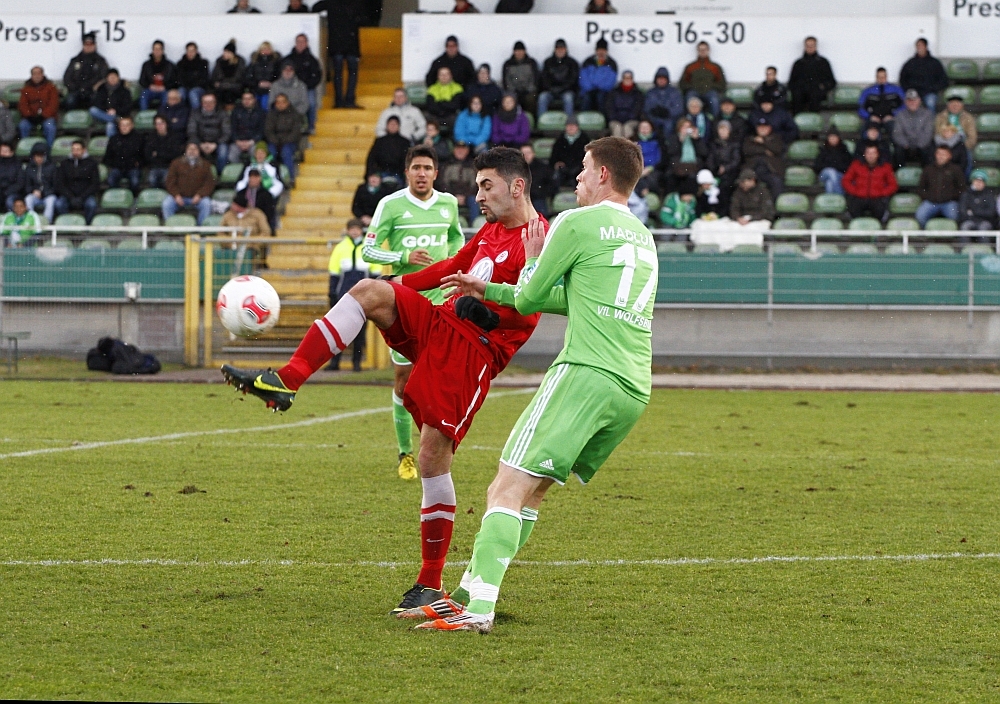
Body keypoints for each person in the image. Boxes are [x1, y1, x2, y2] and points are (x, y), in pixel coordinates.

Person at [222, 146, 541, 619]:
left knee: (432, 457)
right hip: (441, 323)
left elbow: (533, 304)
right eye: (477, 186)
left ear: (517, 186)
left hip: (474, 352)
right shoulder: (491, 230)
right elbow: (449, 269)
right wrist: (398, 286)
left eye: (486, 186)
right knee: (369, 291)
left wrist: (491, 314)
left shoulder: (540, 238)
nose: (477, 196)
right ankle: (286, 380)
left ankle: (430, 584)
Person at [409, 137, 653, 633]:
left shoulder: (575, 222)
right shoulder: (642, 236)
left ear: (603, 175)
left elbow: (531, 296)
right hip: (632, 386)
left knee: (506, 487)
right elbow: (572, 298)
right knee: (533, 494)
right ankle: (467, 594)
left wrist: (534, 259)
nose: (578, 177)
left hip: (586, 371)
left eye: (584, 168)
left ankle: (478, 609)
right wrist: (489, 288)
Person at [360, 145, 467, 483]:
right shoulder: (390, 205)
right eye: (416, 168)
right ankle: (405, 452)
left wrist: (453, 265)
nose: (422, 173)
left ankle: (434, 451)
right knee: (405, 381)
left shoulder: (448, 204)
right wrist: (403, 256)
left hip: (441, 304)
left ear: (436, 173)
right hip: (404, 304)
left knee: (440, 380)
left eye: (427, 168)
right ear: (407, 172)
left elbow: (457, 239)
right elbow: (368, 249)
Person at [328, 219, 380, 371]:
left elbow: (375, 274)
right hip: (343, 295)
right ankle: (335, 363)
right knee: (339, 329)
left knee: (360, 332)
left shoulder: (368, 248)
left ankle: (356, 363)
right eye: (352, 229)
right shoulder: (340, 248)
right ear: (348, 230)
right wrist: (332, 293)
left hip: (363, 297)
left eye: (357, 228)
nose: (355, 231)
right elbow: (334, 273)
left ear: (361, 230)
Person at [318, 0, 363, 107]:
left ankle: (339, 101)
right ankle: (349, 101)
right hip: (351, 43)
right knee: (352, 73)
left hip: (337, 44)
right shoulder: (356, 3)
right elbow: (364, 19)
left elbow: (316, 7)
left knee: (338, 74)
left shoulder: (332, 3)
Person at [162, 142, 217, 225]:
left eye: (195, 149)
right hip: (179, 197)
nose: (192, 151)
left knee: (207, 204)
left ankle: (200, 228)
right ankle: (171, 227)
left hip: (197, 197)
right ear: (186, 150)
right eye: (190, 149)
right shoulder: (176, 163)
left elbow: (209, 183)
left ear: (199, 151)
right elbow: (170, 182)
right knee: (166, 204)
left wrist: (199, 195)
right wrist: (176, 195)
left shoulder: (206, 165)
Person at [842, 144, 897, 221]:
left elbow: (893, 185)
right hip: (859, 197)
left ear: (877, 154)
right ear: (865, 154)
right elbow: (846, 180)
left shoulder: (886, 167)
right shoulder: (856, 165)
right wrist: (855, 191)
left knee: (880, 215)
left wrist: (882, 193)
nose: (871, 156)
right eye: (868, 153)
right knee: (854, 214)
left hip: (877, 198)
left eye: (873, 153)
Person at [915, 145, 966, 227]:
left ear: (949, 156)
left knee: (955, 217)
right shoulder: (928, 169)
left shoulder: (956, 170)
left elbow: (962, 189)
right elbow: (921, 188)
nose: (941, 156)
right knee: (920, 216)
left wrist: (950, 196)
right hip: (931, 202)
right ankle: (928, 233)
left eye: (944, 154)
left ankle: (951, 234)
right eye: (939, 154)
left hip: (949, 202)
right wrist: (929, 196)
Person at [54, 140, 100, 224]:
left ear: (84, 150)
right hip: (68, 195)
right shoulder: (64, 163)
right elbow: (60, 183)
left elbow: (95, 184)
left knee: (91, 205)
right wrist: (71, 197)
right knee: (59, 204)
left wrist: (82, 197)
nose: (75, 152)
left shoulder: (92, 163)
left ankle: (87, 226)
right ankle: (67, 224)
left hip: (86, 195)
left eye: (78, 149)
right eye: (73, 149)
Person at [788, 36, 836, 114]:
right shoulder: (798, 63)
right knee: (797, 96)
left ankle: (814, 119)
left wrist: (821, 87)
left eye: (812, 45)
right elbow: (791, 82)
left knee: (814, 95)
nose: (810, 48)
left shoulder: (823, 62)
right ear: (804, 46)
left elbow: (831, 82)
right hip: (800, 94)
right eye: (808, 46)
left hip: (816, 94)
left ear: (816, 46)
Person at [899, 38, 949, 114]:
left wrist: (933, 88)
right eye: (917, 46)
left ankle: (931, 121)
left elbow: (943, 80)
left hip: (929, 92)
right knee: (907, 103)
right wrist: (909, 89)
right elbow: (903, 78)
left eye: (921, 45)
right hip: (913, 92)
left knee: (930, 103)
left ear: (926, 46)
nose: (919, 48)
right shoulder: (910, 63)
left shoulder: (935, 63)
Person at [287, 34, 324, 134]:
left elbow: (317, 76)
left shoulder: (313, 60)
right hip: (291, 88)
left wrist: (306, 86)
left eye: (302, 41)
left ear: (306, 43)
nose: (300, 44)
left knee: (311, 104)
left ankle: (311, 127)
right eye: (298, 41)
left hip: (308, 88)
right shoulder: (288, 59)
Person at [63, 33, 109, 110]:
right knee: (69, 101)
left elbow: (105, 77)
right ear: (83, 45)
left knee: (98, 101)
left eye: (91, 44)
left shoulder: (101, 61)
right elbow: (67, 78)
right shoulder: (75, 60)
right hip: (76, 91)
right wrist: (74, 88)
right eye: (86, 44)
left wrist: (95, 87)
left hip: (93, 91)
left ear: (95, 45)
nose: (89, 46)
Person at [679, 41, 726, 117]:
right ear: (697, 51)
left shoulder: (715, 67)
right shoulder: (690, 67)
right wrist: (693, 87)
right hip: (694, 92)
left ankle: (716, 120)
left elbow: (722, 84)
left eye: (704, 49)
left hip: (710, 92)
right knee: (689, 98)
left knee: (714, 100)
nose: (702, 51)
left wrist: (710, 86)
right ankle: (688, 120)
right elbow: (682, 83)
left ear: (708, 50)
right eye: (700, 50)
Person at [742, 118, 785, 197]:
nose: (762, 129)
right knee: (744, 182)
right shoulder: (750, 139)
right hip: (753, 170)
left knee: (777, 182)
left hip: (770, 170)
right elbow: (747, 150)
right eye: (760, 127)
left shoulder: (776, 138)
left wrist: (764, 142)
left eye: (765, 127)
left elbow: (777, 149)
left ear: (769, 128)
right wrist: (765, 151)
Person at [663, 117, 708, 194]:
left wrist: (696, 140)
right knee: (670, 176)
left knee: (692, 177)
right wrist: (680, 141)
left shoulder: (696, 138)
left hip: (693, 165)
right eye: (684, 127)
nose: (686, 129)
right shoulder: (674, 138)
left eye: (689, 126)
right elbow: (671, 152)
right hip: (678, 166)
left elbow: (704, 153)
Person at [188, 93, 231, 172]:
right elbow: (191, 131)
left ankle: (219, 174)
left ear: (215, 103)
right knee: (191, 150)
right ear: (202, 103)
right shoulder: (195, 114)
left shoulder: (223, 114)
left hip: (218, 142)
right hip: (200, 141)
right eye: (205, 102)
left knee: (223, 154)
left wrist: (216, 144)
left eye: (211, 102)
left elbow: (227, 133)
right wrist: (200, 143)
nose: (208, 104)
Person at [18, 66, 59, 147]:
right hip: (30, 117)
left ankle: (48, 149)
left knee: (50, 127)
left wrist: (44, 115)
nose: (37, 76)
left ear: (43, 74)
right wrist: (29, 115)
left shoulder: (51, 87)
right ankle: (25, 148)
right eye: (34, 74)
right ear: (31, 75)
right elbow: (23, 105)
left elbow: (53, 104)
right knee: (23, 126)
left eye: (39, 73)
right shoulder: (26, 89)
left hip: (47, 117)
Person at [265, 93, 302, 184]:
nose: (280, 104)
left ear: (287, 103)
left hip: (290, 142)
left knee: (286, 151)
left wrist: (284, 141)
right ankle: (271, 178)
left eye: (283, 102)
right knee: (270, 153)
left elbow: (296, 132)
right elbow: (268, 131)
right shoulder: (271, 114)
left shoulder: (295, 114)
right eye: (278, 102)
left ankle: (290, 178)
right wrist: (276, 141)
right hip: (274, 142)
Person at [893, 89, 934, 168]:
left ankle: (926, 173)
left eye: (914, 100)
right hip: (906, 146)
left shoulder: (927, 114)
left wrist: (919, 145)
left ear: (919, 101)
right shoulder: (900, 115)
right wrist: (906, 144)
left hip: (921, 145)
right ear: (905, 102)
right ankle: (900, 173)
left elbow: (928, 133)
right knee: (898, 151)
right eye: (909, 100)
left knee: (928, 150)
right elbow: (897, 133)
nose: (912, 103)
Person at [439, 141, 481, 218]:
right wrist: (454, 195)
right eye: (458, 148)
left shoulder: (472, 166)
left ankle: (474, 224)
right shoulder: (447, 165)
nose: (460, 151)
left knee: (474, 201)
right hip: (450, 194)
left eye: (463, 149)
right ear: (454, 150)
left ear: (467, 150)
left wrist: (464, 196)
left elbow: (475, 184)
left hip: (468, 196)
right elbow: (443, 183)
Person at [538, 39, 579, 117]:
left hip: (566, 91)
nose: (560, 51)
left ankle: (569, 121)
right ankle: (541, 120)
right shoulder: (548, 62)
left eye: (562, 49)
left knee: (568, 98)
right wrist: (551, 89)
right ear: (554, 50)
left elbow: (573, 80)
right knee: (542, 97)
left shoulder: (572, 63)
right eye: (558, 49)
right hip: (550, 91)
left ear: (566, 49)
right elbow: (544, 79)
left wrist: (561, 89)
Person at [104, 116, 145, 194]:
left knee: (135, 182)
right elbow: (107, 157)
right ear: (119, 126)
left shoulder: (139, 138)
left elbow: (144, 155)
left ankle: (133, 198)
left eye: (127, 125)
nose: (124, 127)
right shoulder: (114, 139)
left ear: (132, 125)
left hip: (133, 168)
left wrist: (138, 163)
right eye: (122, 125)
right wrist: (114, 164)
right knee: (111, 180)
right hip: (118, 168)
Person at [706, 119, 740, 210]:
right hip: (716, 173)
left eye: (725, 129)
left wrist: (725, 168)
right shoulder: (713, 144)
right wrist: (715, 169)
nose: (722, 131)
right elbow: (710, 159)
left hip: (730, 173)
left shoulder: (734, 144)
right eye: (721, 129)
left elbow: (736, 160)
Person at [89, 69, 132, 138]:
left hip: (118, 115)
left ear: (118, 78)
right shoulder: (102, 90)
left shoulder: (124, 91)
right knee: (93, 110)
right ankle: (114, 120)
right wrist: (107, 110)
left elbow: (127, 106)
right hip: (105, 114)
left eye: (114, 77)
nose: (112, 79)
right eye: (110, 77)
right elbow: (98, 103)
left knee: (110, 125)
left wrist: (115, 111)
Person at [144, 115, 184, 189]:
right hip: (155, 166)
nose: (160, 126)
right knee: (151, 180)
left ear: (166, 124)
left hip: (169, 166)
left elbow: (175, 154)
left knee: (166, 181)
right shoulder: (151, 137)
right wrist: (165, 153)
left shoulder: (174, 137)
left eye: (162, 123)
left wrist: (158, 154)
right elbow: (148, 155)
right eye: (157, 124)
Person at [367, 116, 411, 182]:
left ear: (399, 126)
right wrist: (372, 174)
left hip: (399, 174)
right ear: (387, 126)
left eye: (395, 124)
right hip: (381, 173)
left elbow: (407, 160)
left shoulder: (405, 142)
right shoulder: (380, 141)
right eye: (391, 124)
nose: (393, 126)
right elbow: (372, 159)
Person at [578, 38, 617, 112]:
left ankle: (602, 118)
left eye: (603, 50)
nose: (601, 52)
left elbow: (610, 82)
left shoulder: (612, 64)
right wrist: (591, 88)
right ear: (596, 51)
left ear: (606, 51)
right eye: (599, 50)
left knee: (601, 97)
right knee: (586, 98)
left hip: (603, 92)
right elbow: (583, 78)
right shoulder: (587, 62)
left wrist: (597, 86)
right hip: (588, 91)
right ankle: (583, 118)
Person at [22, 143, 58, 222]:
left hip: (49, 195)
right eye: (37, 156)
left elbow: (56, 186)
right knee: (28, 199)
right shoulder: (29, 168)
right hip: (35, 195)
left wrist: (44, 193)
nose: (38, 158)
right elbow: (27, 185)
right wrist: (33, 191)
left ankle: (46, 222)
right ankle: (31, 221)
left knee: (50, 201)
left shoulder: (52, 167)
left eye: (41, 156)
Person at [551, 115, 589, 188]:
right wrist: (557, 163)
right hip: (563, 169)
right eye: (568, 125)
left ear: (577, 127)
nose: (571, 128)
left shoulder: (585, 139)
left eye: (573, 125)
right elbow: (554, 156)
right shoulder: (560, 140)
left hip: (579, 168)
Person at [643, 67, 683, 137]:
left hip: (670, 119)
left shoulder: (675, 92)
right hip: (654, 119)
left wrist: (667, 112)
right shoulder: (650, 93)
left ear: (667, 79)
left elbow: (679, 109)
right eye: (659, 78)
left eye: (664, 78)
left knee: (669, 126)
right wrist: (655, 113)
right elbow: (647, 108)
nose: (661, 80)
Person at [230, 90, 267, 164]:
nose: (247, 101)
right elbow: (232, 129)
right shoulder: (236, 112)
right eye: (244, 99)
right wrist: (237, 141)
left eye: (249, 99)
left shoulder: (260, 113)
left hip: (254, 142)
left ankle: (253, 170)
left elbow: (261, 130)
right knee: (232, 156)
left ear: (254, 100)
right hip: (238, 142)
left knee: (255, 153)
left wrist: (251, 142)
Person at [502, 41, 539, 115]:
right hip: (513, 91)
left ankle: (531, 118)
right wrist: (514, 90)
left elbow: (535, 79)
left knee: (531, 98)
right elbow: (506, 81)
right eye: (517, 51)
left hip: (529, 91)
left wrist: (528, 90)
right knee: (510, 98)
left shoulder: (531, 63)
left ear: (524, 51)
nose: (519, 53)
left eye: (521, 51)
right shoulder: (508, 64)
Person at [139, 41, 177, 111]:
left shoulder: (169, 65)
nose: (157, 51)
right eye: (155, 49)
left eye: (159, 49)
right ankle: (144, 114)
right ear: (152, 50)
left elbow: (174, 81)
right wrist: (150, 86)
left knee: (167, 96)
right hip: (150, 89)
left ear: (162, 51)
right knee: (144, 94)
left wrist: (165, 87)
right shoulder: (146, 65)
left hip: (164, 89)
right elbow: (142, 80)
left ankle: (163, 115)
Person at [603, 70, 643, 140]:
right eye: (625, 78)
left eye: (629, 78)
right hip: (615, 120)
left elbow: (637, 109)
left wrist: (628, 118)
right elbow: (609, 107)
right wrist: (616, 118)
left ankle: (629, 146)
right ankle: (617, 146)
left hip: (632, 120)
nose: (627, 80)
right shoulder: (613, 93)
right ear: (622, 79)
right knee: (617, 128)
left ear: (632, 79)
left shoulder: (638, 93)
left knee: (627, 128)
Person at [426, 67, 464, 134]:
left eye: (446, 74)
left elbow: (455, 105)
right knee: (426, 117)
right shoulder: (432, 89)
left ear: (451, 76)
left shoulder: (457, 88)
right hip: (436, 115)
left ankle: (454, 139)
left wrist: (440, 103)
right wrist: (446, 104)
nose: (444, 77)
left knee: (457, 119)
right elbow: (431, 107)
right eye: (441, 74)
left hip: (450, 116)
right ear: (438, 76)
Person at [814, 129, 852, 195]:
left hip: (840, 174)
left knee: (829, 183)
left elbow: (848, 166)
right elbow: (817, 166)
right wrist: (832, 167)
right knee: (831, 172)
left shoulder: (844, 151)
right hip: (824, 174)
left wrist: (833, 166)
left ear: (838, 138)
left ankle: (831, 199)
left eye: (835, 137)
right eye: (831, 137)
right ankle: (840, 195)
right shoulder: (823, 150)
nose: (833, 139)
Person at [520, 142, 555, 216]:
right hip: (520, 199)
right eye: (523, 153)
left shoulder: (543, 167)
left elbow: (551, 184)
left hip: (538, 198)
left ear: (533, 154)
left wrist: (541, 192)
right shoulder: (515, 169)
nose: (526, 156)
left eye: (528, 153)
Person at [211, 40, 248, 107]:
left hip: (235, 88)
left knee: (229, 95)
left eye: (228, 52)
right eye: (225, 52)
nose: (225, 54)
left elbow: (240, 79)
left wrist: (223, 84)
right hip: (221, 88)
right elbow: (214, 77)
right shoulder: (219, 62)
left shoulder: (240, 62)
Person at [247, 42, 282, 111]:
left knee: (265, 105)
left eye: (268, 49)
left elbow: (279, 75)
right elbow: (248, 77)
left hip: (270, 90)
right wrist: (258, 83)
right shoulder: (254, 62)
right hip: (255, 89)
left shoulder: (276, 62)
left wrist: (271, 83)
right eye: (263, 49)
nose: (265, 51)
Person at [176, 43, 211, 110]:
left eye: (192, 51)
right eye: (189, 51)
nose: (190, 53)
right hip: (185, 87)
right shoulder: (180, 64)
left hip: (199, 88)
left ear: (196, 51)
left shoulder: (203, 63)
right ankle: (180, 112)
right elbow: (179, 79)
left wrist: (192, 85)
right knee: (181, 92)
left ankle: (196, 113)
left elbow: (205, 78)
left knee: (193, 93)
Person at [0, 143, 22, 212]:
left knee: (9, 201)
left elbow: (20, 183)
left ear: (11, 152)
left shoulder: (17, 164)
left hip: (13, 192)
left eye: (5, 151)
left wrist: (7, 192)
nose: (3, 153)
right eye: (1, 151)